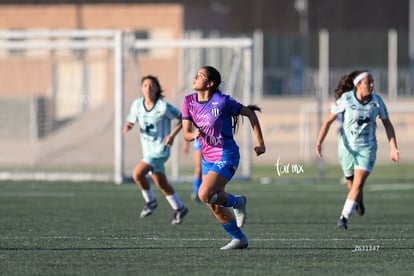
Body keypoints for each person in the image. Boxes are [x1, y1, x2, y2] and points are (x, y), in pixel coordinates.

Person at [181, 66, 266, 249]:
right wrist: (193, 135)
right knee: (213, 203)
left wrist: (260, 142)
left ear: (210, 84)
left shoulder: (222, 101)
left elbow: (250, 113)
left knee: (204, 194)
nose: (195, 76)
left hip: (227, 155)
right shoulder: (188, 101)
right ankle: (239, 238)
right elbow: (186, 134)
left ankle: (237, 202)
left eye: (201, 75)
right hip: (207, 158)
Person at [315, 70, 400, 230]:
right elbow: (328, 122)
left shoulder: (377, 102)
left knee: (358, 182)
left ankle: (343, 218)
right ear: (359, 85)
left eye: (373, 81)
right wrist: (319, 142)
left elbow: (387, 124)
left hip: (367, 149)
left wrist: (393, 147)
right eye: (369, 82)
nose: (372, 85)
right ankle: (358, 199)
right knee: (351, 184)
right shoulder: (346, 99)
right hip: (346, 148)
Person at [123, 75, 188, 225]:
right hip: (147, 150)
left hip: (161, 149)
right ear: (141, 88)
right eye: (145, 85)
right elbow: (131, 120)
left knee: (137, 174)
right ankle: (179, 208)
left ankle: (150, 202)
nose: (148, 88)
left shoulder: (163, 106)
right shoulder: (137, 104)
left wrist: (171, 136)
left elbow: (183, 118)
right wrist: (128, 126)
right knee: (161, 183)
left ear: (157, 88)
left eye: (152, 85)